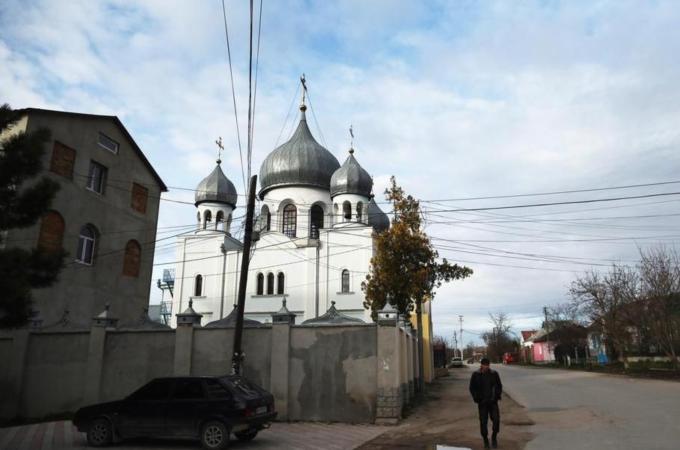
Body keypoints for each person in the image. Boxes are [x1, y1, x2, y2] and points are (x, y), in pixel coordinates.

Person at [469, 357, 503, 449]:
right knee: (483, 422)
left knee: (496, 420)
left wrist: (497, 395)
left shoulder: (494, 374)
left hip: (493, 402)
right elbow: (472, 388)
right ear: (481, 365)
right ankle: (485, 440)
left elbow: (499, 386)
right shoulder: (476, 374)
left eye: (487, 365)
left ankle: (494, 437)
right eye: (484, 365)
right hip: (482, 403)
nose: (486, 367)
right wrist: (476, 398)